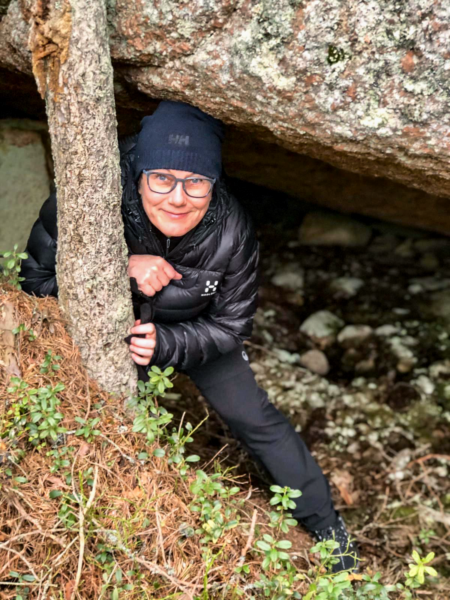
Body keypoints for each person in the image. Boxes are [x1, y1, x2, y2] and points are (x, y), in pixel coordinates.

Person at [20, 100, 360, 573]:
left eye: (196, 182)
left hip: (191, 330)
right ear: (138, 174)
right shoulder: (90, 196)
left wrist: (170, 344)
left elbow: (232, 325)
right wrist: (117, 271)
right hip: (102, 331)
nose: (178, 198)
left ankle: (331, 535)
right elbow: (34, 285)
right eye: (162, 178)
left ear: (213, 184)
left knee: (255, 418)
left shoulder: (232, 230)